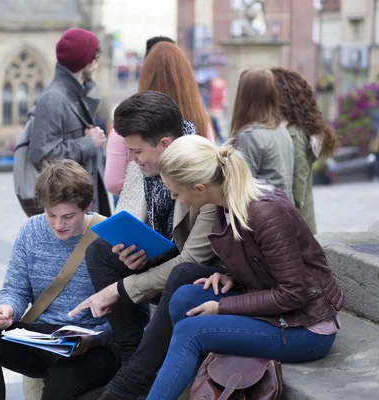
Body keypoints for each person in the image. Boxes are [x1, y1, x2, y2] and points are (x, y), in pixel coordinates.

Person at [145, 135, 344, 400]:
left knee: (191, 331)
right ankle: (204, 390)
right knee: (184, 297)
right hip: (279, 308)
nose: (173, 198)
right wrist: (232, 276)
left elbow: (294, 293)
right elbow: (261, 265)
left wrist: (221, 307)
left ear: (200, 187)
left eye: (176, 192)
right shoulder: (225, 201)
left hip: (307, 327)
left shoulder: (265, 213)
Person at [71, 91, 224, 400]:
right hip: (174, 257)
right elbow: (158, 237)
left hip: (208, 274)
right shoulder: (151, 167)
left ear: (165, 144)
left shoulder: (203, 171)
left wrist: (118, 289)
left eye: (136, 151)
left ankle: (134, 379)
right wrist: (136, 254)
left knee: (179, 275)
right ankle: (131, 358)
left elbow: (192, 259)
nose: (130, 158)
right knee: (101, 250)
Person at [0, 159, 120, 400]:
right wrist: (7, 309)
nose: (58, 225)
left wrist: (93, 339)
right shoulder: (32, 230)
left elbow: (130, 315)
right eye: (51, 214)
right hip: (44, 339)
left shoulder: (109, 237)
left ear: (87, 206)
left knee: (62, 380)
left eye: (68, 216)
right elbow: (15, 289)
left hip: (93, 344)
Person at [105, 41, 215, 218]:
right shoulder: (202, 119)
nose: (131, 158)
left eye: (135, 151)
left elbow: (112, 182)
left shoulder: (130, 123)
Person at [29, 28, 110, 216]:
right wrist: (89, 142)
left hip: (79, 205)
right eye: (95, 58)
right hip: (67, 212)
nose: (97, 65)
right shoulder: (54, 98)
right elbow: (42, 155)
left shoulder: (72, 94)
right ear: (87, 62)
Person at [271, 67, 338, 234]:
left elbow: (298, 183)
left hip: (295, 227)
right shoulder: (300, 129)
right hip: (302, 222)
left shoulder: (294, 134)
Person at [230, 68, 295, 202]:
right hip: (284, 211)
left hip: (263, 215)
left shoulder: (250, 136)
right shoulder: (282, 131)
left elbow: (242, 191)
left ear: (244, 96)